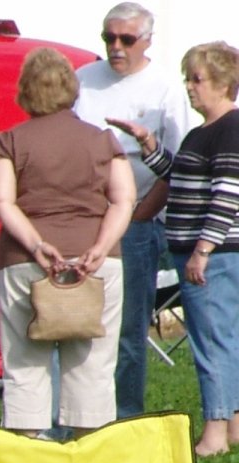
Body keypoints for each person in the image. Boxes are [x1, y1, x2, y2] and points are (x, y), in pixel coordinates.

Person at [0, 48, 136, 437]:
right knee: (92, 364)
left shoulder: (7, 141)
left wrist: (37, 245)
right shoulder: (103, 140)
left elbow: (2, 200)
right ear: (73, 90)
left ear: (24, 92)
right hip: (96, 264)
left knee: (24, 362)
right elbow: (124, 199)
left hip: (25, 264)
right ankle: (89, 455)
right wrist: (101, 248)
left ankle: (27, 454)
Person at [115, 43, 239, 456]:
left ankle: (216, 432)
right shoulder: (201, 133)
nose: (189, 87)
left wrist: (203, 249)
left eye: (197, 79)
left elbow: (227, 195)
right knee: (226, 339)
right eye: (188, 78)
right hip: (212, 255)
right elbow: (180, 175)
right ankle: (233, 425)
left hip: (213, 257)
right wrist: (149, 145)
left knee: (210, 342)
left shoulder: (228, 130)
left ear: (224, 84)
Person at [74, 3, 194, 417]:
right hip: (84, 218)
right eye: (109, 38)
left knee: (128, 329)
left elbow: (178, 165)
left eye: (126, 39)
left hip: (138, 222)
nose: (116, 47)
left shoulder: (164, 88)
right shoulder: (83, 81)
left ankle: (124, 414)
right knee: (76, 321)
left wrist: (141, 215)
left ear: (147, 41)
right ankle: (79, 413)